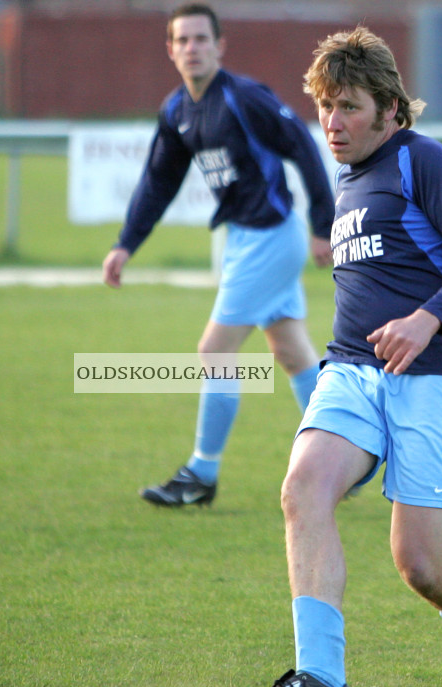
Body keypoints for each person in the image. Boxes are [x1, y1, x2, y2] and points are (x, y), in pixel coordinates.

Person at [230, 26, 442, 687]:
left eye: (349, 105)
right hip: (353, 371)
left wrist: (427, 319)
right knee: (302, 488)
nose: (332, 122)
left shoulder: (425, 161)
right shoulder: (348, 178)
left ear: (391, 107)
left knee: (419, 563)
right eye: (325, 105)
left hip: (435, 373)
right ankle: (321, 682)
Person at [102, 3, 335, 509]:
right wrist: (126, 243)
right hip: (244, 239)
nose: (192, 48)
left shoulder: (244, 98)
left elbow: (303, 146)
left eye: (201, 39)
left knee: (215, 350)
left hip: (273, 236)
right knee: (292, 351)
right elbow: (158, 182)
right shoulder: (177, 111)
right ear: (170, 49)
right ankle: (346, 453)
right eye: (182, 40)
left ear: (219, 45)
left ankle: (201, 475)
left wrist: (323, 226)